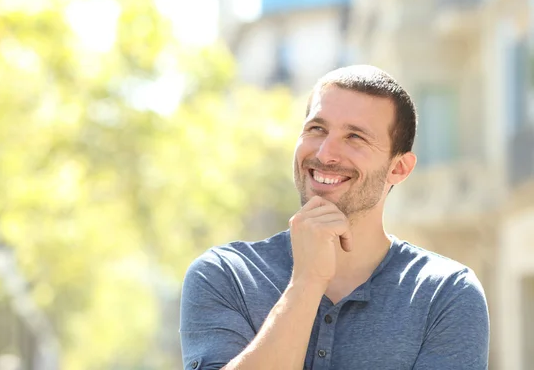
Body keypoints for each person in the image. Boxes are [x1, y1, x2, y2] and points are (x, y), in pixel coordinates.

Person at [179, 65, 489, 370]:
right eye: (317, 129)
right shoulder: (225, 275)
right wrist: (306, 282)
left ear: (399, 169)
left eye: (355, 137)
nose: (326, 154)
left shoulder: (446, 293)